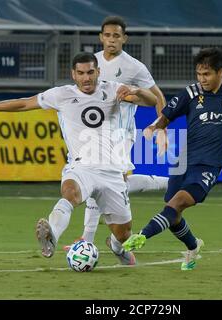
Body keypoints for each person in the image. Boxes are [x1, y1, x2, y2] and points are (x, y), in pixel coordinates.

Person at [0, 52, 157, 265]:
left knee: (123, 234)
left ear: (98, 72)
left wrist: (136, 90)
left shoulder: (113, 89)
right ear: (73, 74)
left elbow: (151, 100)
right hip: (82, 167)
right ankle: (51, 234)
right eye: (81, 73)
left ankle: (116, 246)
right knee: (70, 193)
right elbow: (24, 104)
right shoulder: (62, 95)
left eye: (90, 72)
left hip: (112, 172)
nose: (86, 78)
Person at [123, 47, 222, 270]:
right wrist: (156, 129)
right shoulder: (191, 93)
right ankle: (193, 247)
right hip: (184, 160)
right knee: (172, 212)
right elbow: (166, 116)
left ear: (221, 72)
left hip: (209, 165)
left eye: (207, 74)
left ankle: (142, 235)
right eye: (199, 74)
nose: (202, 79)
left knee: (177, 202)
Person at [80, 16, 169, 245]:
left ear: (124, 39)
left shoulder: (134, 67)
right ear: (101, 37)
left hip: (121, 133)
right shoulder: (92, 63)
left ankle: (89, 240)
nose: (111, 40)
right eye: (107, 35)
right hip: (94, 134)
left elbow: (158, 97)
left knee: (105, 182)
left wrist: (161, 129)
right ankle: (167, 182)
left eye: (116, 36)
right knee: (104, 183)